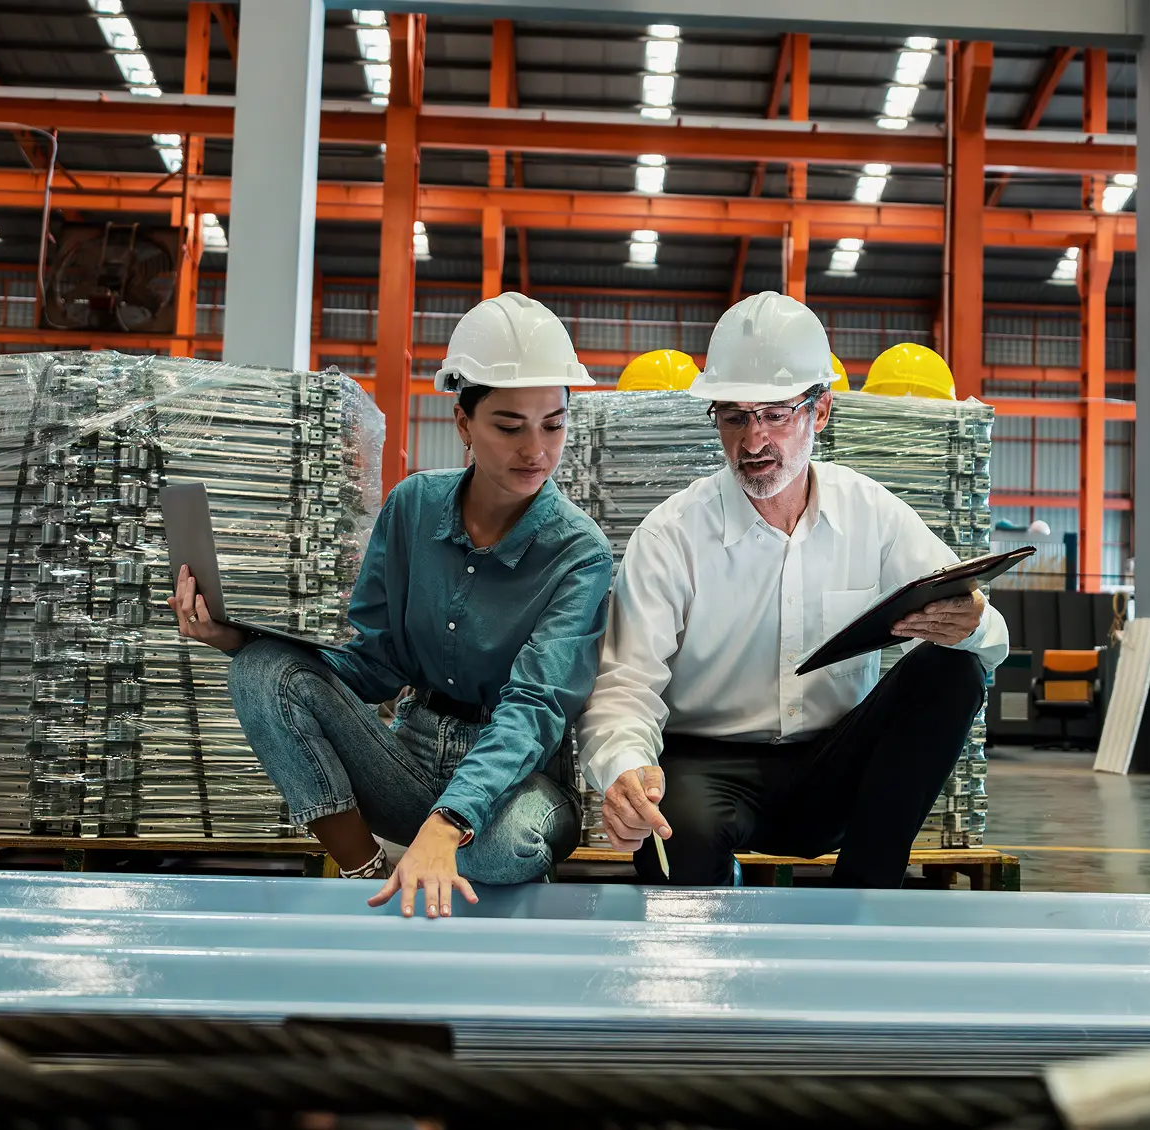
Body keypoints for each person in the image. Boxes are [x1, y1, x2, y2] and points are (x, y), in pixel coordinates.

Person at [168, 292, 612, 917]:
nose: (535, 449)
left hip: (520, 783)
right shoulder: (413, 509)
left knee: (507, 844)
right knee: (261, 672)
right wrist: (236, 638)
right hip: (410, 756)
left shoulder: (580, 554)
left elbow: (534, 709)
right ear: (463, 422)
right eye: (509, 426)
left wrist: (449, 821)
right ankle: (366, 874)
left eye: (554, 424)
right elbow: (373, 665)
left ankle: (440, 850)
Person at [577, 292, 1008, 888]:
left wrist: (974, 623)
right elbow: (625, 684)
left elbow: (988, 637)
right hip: (706, 769)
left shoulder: (872, 516)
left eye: (775, 414)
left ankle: (867, 894)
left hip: (831, 765)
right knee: (675, 847)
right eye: (734, 416)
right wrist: (625, 768)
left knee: (954, 671)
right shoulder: (673, 535)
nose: (753, 442)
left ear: (820, 411)